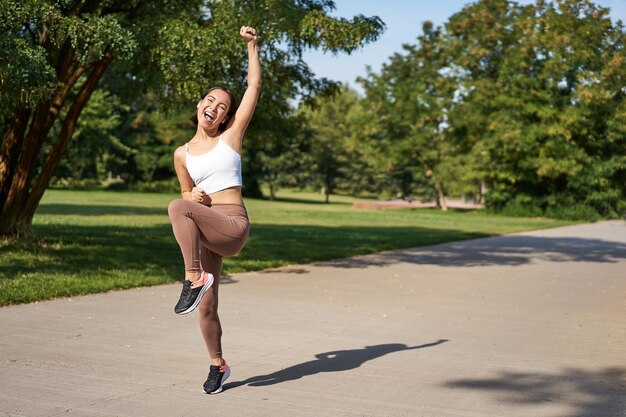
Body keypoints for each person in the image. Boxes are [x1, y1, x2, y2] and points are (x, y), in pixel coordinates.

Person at [167, 25, 260, 395]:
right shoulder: (182, 154)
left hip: (232, 226)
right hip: (206, 230)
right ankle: (218, 365)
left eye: (222, 106)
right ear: (199, 105)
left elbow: (253, 87)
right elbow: (187, 196)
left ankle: (193, 277)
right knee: (206, 308)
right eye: (210, 100)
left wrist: (252, 46)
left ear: (225, 117)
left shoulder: (231, 138)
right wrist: (197, 200)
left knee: (176, 208)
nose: (214, 107)